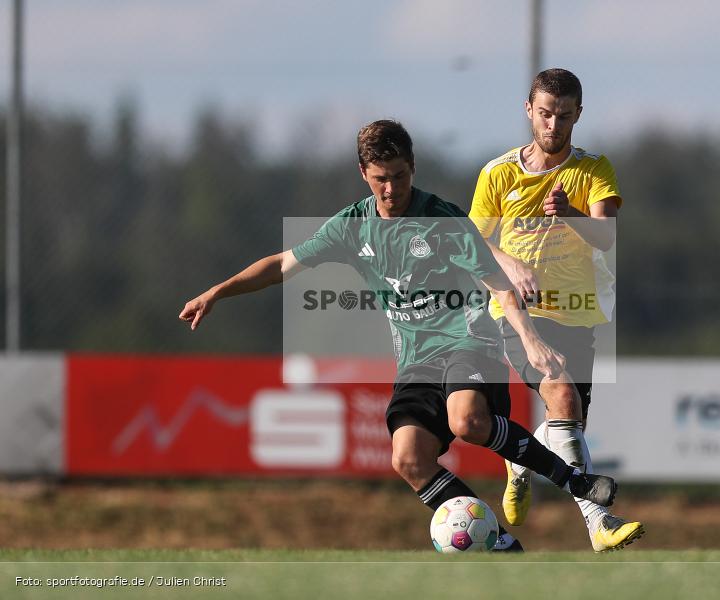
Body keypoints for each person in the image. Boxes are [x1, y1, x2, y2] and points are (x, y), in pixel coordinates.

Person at [180, 119, 618, 552]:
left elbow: (497, 279)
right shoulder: (351, 226)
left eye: (400, 176)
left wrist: (528, 338)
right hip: (416, 361)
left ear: (413, 166)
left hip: (469, 342)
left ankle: (573, 480)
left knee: (466, 421)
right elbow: (280, 265)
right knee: (408, 458)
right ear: (363, 175)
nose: (391, 190)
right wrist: (218, 292)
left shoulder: (442, 218)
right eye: (380, 180)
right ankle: (500, 544)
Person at [469, 69, 644, 551]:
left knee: (570, 424)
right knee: (562, 396)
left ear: (578, 116)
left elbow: (606, 238)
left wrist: (571, 216)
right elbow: (474, 243)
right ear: (529, 110)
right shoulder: (498, 173)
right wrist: (511, 265)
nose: (553, 125)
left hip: (579, 311)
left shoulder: (593, 170)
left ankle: (519, 459)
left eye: (563, 116)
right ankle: (599, 523)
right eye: (545, 114)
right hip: (519, 313)